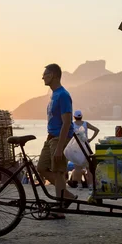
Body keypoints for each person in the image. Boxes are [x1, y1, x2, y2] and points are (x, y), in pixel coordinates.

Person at [37, 63, 76, 219]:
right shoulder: (53, 94)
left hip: (61, 138)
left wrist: (60, 147)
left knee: (59, 173)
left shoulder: (63, 95)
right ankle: (67, 196)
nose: (43, 77)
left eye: (45, 74)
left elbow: (67, 122)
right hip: (51, 137)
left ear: (53, 75)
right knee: (41, 168)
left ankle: (60, 209)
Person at [70, 110, 100, 189]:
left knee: (77, 167)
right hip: (86, 146)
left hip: (76, 147)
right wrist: (90, 139)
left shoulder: (72, 125)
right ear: (81, 116)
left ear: (74, 117)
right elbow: (96, 130)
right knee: (88, 166)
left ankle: (79, 184)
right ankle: (90, 185)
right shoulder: (85, 124)